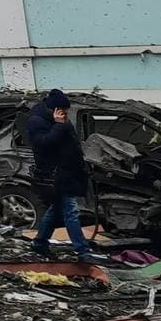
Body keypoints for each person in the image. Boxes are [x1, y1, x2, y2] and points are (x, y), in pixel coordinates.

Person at [26, 88, 105, 263]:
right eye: (64, 109)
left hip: (68, 172)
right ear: (55, 108)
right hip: (56, 175)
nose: (66, 113)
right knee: (71, 211)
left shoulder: (58, 119)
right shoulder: (37, 121)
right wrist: (59, 125)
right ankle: (82, 251)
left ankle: (39, 243)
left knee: (55, 211)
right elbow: (43, 144)